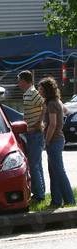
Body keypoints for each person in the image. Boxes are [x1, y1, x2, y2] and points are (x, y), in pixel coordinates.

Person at [38, 77, 75, 207]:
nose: (39, 91)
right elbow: (66, 111)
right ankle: (56, 201)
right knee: (53, 171)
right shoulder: (56, 101)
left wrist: (46, 141)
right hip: (57, 139)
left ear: (47, 90)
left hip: (54, 140)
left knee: (58, 171)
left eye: (41, 89)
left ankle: (70, 200)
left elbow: (52, 124)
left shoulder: (52, 103)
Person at [17, 70, 45, 203]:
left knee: (34, 164)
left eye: (19, 80)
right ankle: (41, 192)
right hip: (31, 132)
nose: (18, 84)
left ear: (24, 80)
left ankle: (39, 195)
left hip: (35, 133)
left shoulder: (33, 93)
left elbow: (45, 105)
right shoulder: (27, 94)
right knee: (36, 164)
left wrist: (39, 122)